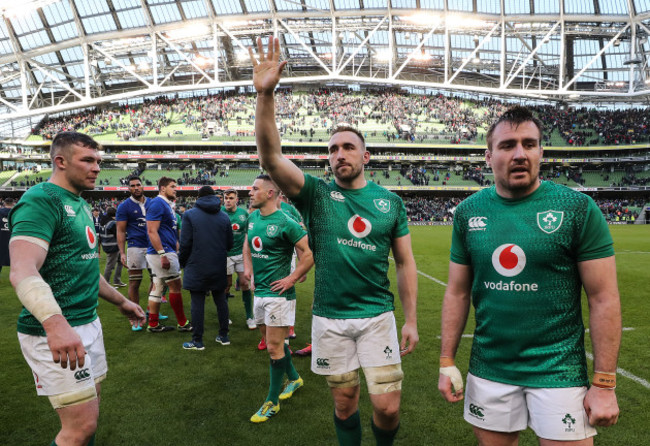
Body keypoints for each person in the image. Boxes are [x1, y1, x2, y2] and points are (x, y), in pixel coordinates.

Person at [250, 37, 418, 445]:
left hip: (377, 314)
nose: (339, 154)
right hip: (330, 316)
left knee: (388, 406)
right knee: (344, 402)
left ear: (365, 156)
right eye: (332, 150)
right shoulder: (317, 195)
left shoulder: (389, 202)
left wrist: (411, 318)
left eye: (348, 147)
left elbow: (406, 263)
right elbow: (270, 159)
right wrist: (265, 95)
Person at [438, 106, 621, 445]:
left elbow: (603, 298)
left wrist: (604, 383)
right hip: (489, 369)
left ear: (541, 151)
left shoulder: (577, 210)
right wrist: (447, 360)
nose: (520, 154)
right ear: (489, 155)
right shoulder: (467, 213)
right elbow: (457, 292)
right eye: (508, 145)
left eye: (529, 144)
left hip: (559, 370)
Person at [8, 131, 145, 446]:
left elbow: (84, 270)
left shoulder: (81, 204)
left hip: (87, 324)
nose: (96, 167)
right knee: (79, 428)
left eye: (98, 160)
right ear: (60, 161)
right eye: (87, 160)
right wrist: (55, 324)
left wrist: (121, 301)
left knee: (90, 419)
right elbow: (22, 270)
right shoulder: (42, 199)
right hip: (54, 331)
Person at [243, 175, 314, 423]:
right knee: (272, 341)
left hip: (279, 296)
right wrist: (247, 266)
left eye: (255, 189)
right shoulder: (252, 217)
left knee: (273, 347)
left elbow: (308, 253)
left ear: (270, 193)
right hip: (260, 292)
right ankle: (294, 379)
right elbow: (248, 243)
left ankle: (271, 402)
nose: (250, 192)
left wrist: (292, 278)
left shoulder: (286, 222)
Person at [179, 185, 233, 350]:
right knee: (221, 300)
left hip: (196, 265)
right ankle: (224, 336)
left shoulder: (189, 215)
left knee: (197, 302)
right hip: (217, 265)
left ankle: (197, 340)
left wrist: (182, 262)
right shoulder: (224, 217)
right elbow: (230, 244)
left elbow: (185, 244)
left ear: (198, 197)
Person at [145, 176, 192, 333]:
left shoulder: (166, 205)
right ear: (162, 188)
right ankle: (183, 323)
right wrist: (162, 254)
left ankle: (153, 324)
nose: (175, 189)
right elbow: (152, 231)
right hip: (162, 252)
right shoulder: (158, 203)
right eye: (172, 186)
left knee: (158, 287)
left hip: (164, 250)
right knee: (175, 285)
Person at [116, 175, 163, 331]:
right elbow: (121, 231)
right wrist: (122, 252)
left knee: (156, 280)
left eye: (138, 185)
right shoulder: (124, 206)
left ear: (143, 186)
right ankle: (136, 315)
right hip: (135, 247)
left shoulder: (152, 203)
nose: (136, 188)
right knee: (134, 282)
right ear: (129, 188)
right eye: (132, 186)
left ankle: (151, 310)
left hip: (152, 247)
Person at [222, 188, 255, 330]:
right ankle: (224, 315)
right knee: (226, 285)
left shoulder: (243, 214)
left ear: (237, 200)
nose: (228, 200)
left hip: (241, 253)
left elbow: (249, 233)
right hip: (225, 254)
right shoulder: (220, 213)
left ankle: (250, 316)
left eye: (231, 198)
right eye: (226, 198)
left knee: (244, 283)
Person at [98, 207, 125, 287]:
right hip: (112, 246)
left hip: (107, 245)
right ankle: (106, 284)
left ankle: (117, 280)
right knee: (110, 265)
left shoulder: (103, 221)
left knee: (121, 262)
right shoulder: (112, 223)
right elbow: (118, 235)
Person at [0, 197, 15, 275]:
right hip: (14, 240)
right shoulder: (17, 213)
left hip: (1, 239)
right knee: (16, 261)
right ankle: (18, 278)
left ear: (4, 203)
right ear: (13, 203)